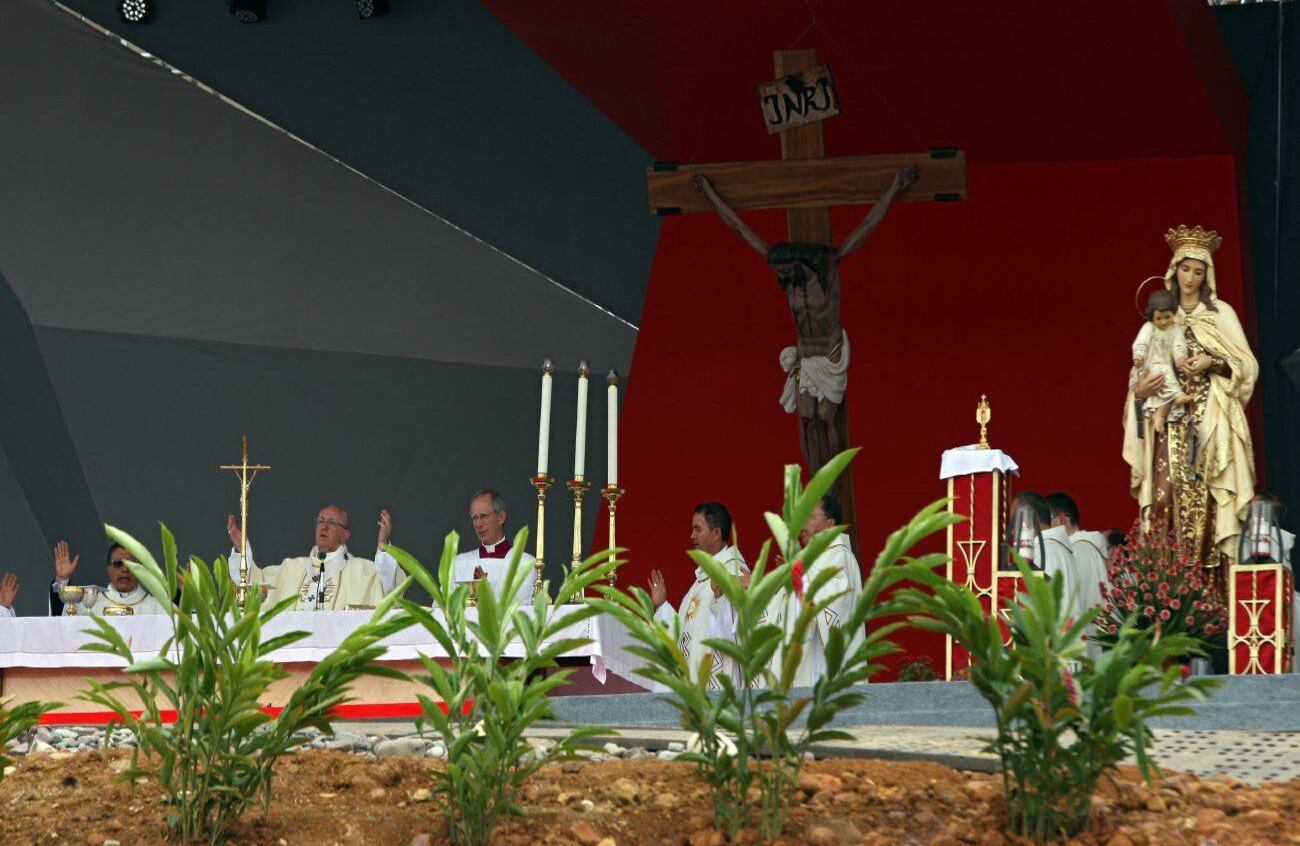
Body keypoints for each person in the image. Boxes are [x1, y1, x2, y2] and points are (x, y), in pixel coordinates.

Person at [693, 166, 917, 472]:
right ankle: (818, 481)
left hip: (830, 354)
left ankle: (833, 476)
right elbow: (740, 229)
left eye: (785, 271)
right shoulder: (786, 271)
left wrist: (895, 187)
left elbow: (866, 226)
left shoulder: (828, 267)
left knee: (825, 418)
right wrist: (709, 194)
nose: (781, 276)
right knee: (807, 419)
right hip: (806, 355)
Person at [1123, 226, 1257, 568]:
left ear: (1207, 274)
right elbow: (1138, 377)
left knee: (1211, 503)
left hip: (1210, 421)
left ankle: (1211, 599)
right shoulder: (1161, 318)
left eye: (1198, 271)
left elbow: (1247, 367)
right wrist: (1142, 391)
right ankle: (1169, 590)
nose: (1190, 278)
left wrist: (1213, 362)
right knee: (1165, 496)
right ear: (1174, 269)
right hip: (1169, 425)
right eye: (1185, 269)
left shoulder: (1220, 314)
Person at [646, 502, 749, 691]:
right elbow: (687, 635)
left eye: (697, 529)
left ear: (716, 533)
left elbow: (735, 628)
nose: (691, 535)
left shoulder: (732, 571)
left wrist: (722, 596)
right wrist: (662, 607)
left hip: (718, 685)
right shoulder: (703, 577)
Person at [764, 494, 863, 687]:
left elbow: (833, 604)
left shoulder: (841, 556)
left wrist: (798, 577)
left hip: (820, 669)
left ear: (830, 523)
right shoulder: (807, 560)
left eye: (810, 516)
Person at [227, 505, 399, 611]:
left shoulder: (363, 571)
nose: (324, 526)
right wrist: (241, 549)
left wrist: (383, 545)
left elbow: (389, 583)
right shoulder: (291, 569)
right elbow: (253, 583)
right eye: (320, 521)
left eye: (331, 522)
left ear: (345, 534)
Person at [1046, 491, 1110, 658]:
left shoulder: (1076, 549)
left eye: (1047, 520)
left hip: (1084, 635)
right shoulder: (1093, 545)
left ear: (1062, 519)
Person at [450, 489, 536, 605]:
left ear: (501, 517)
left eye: (483, 516)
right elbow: (440, 609)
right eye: (474, 518)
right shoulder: (459, 563)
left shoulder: (525, 564)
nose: (478, 524)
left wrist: (486, 595)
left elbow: (523, 612)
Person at [52, 540, 168, 616]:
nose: (124, 570)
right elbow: (60, 626)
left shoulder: (159, 608)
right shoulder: (87, 604)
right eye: (118, 563)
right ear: (108, 569)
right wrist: (62, 579)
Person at [1131, 288, 1190, 434]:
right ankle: (1177, 395)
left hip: (1167, 367)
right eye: (1159, 318)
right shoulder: (1148, 328)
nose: (1163, 322)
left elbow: (1179, 345)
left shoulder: (1175, 329)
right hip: (1150, 367)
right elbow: (1141, 343)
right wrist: (1139, 355)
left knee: (1167, 382)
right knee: (1166, 374)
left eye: (1167, 317)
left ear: (1173, 314)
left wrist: (1180, 358)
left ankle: (1160, 416)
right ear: (1152, 317)